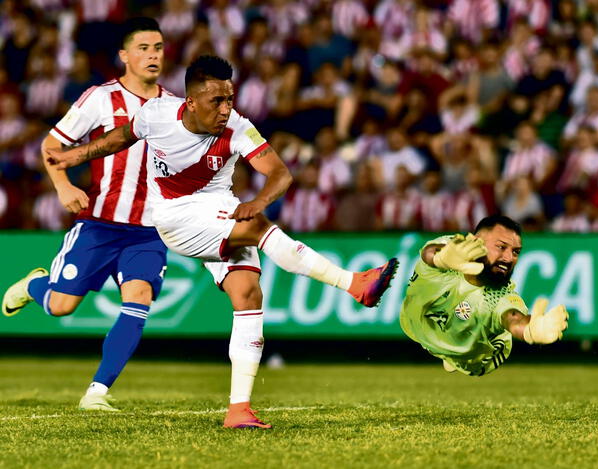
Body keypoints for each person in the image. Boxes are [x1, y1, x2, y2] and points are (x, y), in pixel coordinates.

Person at [46, 55, 398, 429]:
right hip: (175, 216)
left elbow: (280, 173)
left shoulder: (238, 127)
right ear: (192, 102)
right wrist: (75, 155)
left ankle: (239, 409)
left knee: (248, 295)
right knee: (257, 228)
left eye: (230, 98)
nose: (226, 108)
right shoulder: (158, 114)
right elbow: (119, 138)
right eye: (218, 101)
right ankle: (354, 284)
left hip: (222, 209)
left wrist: (259, 200)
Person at [2, 18, 170, 411]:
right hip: (99, 224)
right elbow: (51, 145)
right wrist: (63, 185)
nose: (152, 55)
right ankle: (33, 286)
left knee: (139, 297)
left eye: (158, 48)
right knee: (61, 305)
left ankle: (97, 392)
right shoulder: (100, 98)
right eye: (144, 48)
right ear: (124, 56)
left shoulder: (174, 107)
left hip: (148, 230)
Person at [400, 215, 567, 376]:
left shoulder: (501, 297)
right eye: (501, 247)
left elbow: (514, 319)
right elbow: (430, 252)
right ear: (477, 241)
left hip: (474, 358)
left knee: (474, 354)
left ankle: (453, 354)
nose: (509, 258)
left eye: (516, 252)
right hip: (413, 323)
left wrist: (530, 330)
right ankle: (449, 347)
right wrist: (441, 259)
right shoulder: (451, 249)